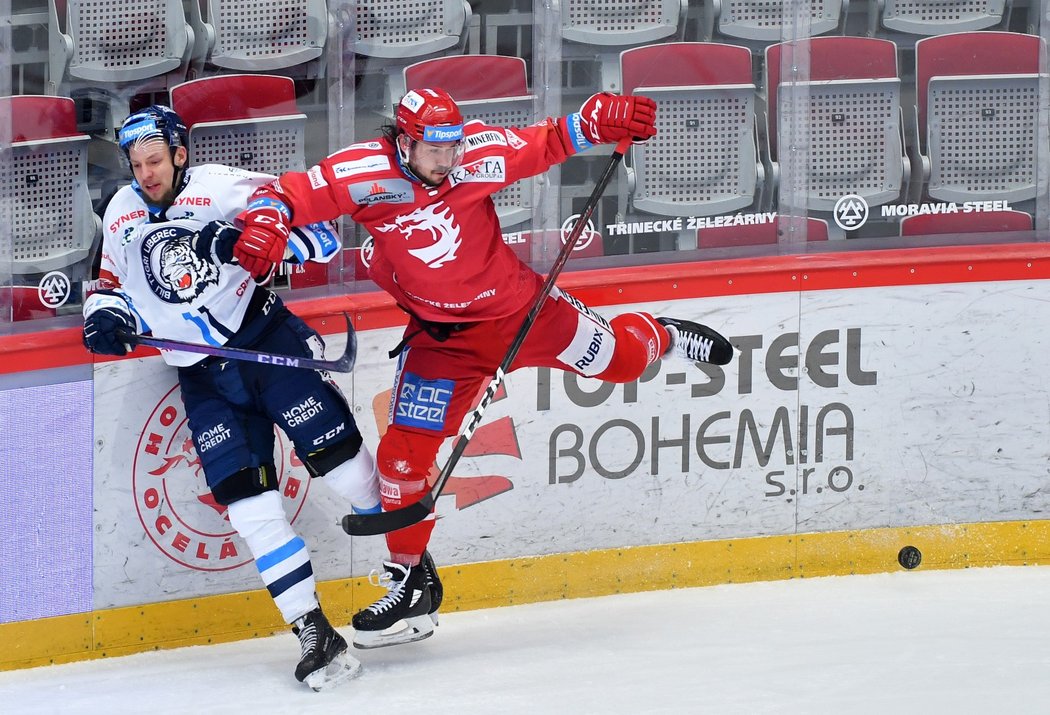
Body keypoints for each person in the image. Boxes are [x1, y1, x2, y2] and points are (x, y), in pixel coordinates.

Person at [223, 88, 734, 649]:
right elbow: (291, 193)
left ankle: (660, 333)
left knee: (623, 361)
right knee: (400, 460)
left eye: (453, 146)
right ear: (402, 141)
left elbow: (553, 139)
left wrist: (601, 117)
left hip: (523, 314)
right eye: (433, 149)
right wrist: (269, 219)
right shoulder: (363, 171)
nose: (447, 160)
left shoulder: (477, 154)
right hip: (443, 345)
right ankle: (411, 580)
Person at [82, 105, 376, 690]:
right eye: (137, 164)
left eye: (156, 161)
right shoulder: (119, 212)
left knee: (343, 470)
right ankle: (314, 633)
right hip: (202, 377)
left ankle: (411, 571)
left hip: (264, 343)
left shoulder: (226, 188)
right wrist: (104, 316)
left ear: (179, 154)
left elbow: (321, 242)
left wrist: (250, 241)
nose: (146, 174)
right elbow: (108, 284)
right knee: (247, 507)